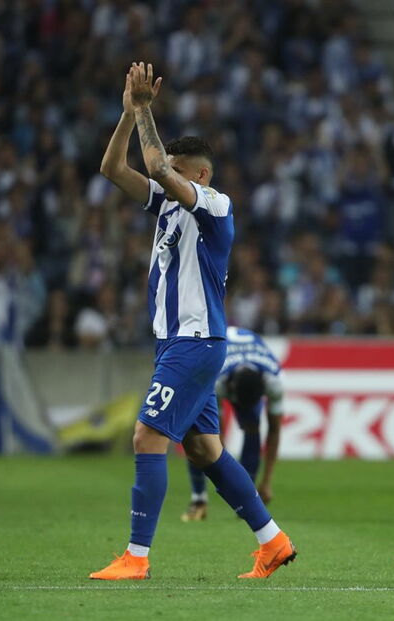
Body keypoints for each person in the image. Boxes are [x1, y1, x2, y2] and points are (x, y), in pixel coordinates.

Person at [89, 62, 296, 581]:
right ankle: (273, 542)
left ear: (199, 175)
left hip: (194, 341)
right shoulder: (167, 206)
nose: (166, 174)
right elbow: (112, 168)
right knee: (204, 449)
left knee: (146, 436)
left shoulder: (215, 205)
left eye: (180, 169)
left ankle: (136, 557)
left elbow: (157, 164)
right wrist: (127, 114)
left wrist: (144, 111)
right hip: (176, 343)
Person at [181, 326, 284, 522]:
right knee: (197, 434)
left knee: (252, 426)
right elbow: (215, 436)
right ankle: (199, 499)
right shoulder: (217, 379)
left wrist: (267, 481)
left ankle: (248, 500)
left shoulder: (274, 382)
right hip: (209, 362)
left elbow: (274, 430)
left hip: (245, 360)